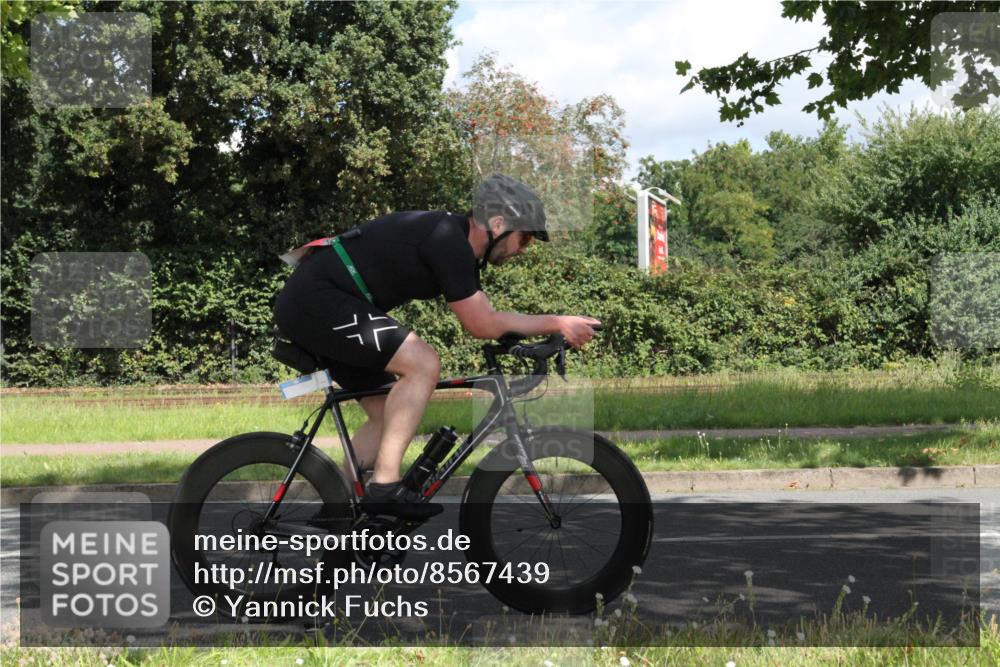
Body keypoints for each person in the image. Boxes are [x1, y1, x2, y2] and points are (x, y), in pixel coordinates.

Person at [273, 174, 600, 518]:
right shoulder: (446, 239)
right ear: (499, 223)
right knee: (423, 363)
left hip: (326, 302)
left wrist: (539, 336)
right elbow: (481, 324)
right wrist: (558, 322)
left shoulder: (463, 252)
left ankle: (339, 514)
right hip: (316, 300)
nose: (524, 249)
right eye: (526, 237)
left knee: (388, 415)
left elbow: (489, 318)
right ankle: (384, 487)